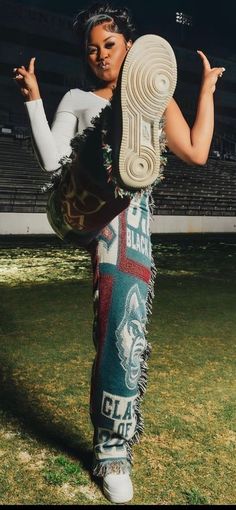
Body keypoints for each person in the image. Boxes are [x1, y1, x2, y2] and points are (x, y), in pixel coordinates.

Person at [13, 1, 225, 503]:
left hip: (139, 227)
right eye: (92, 50)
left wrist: (208, 91)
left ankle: (114, 439)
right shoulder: (76, 99)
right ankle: (111, 451)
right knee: (117, 325)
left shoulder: (156, 95)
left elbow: (195, 151)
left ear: (129, 46)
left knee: (122, 332)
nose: (101, 56)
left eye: (110, 45)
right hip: (100, 216)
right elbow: (50, 161)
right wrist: (35, 100)